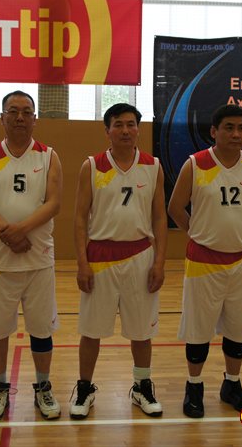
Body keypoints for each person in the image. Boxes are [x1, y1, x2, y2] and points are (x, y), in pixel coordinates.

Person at [168, 104, 242, 418]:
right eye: (229, 127)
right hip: (204, 260)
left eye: (241, 128)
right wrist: (199, 232)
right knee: (198, 330)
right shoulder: (196, 164)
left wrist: (238, 232)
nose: (236, 134)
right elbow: (175, 208)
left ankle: (232, 384)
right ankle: (194, 386)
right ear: (214, 131)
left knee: (239, 327)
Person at [70, 103, 167, 419]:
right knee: (91, 331)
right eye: (118, 125)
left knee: (142, 331)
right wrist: (82, 263)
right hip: (100, 257)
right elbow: (79, 218)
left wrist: (159, 262)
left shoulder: (153, 166)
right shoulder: (92, 166)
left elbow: (159, 218)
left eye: (131, 124)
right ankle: (84, 388)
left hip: (140, 256)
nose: (126, 130)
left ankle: (141, 386)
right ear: (107, 130)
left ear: (138, 128)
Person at [0, 91, 63, 421]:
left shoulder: (48, 156)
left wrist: (20, 230)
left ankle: (43, 387)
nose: (20, 117)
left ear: (35, 118)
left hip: (38, 261)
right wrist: (7, 233)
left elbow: (54, 203)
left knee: (41, 330)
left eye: (26, 111)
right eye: (13, 111)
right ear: (2, 117)